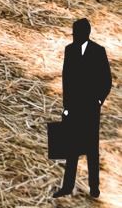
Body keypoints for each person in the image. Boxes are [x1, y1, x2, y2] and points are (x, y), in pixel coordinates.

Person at [60, 18, 112, 199]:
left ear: (85, 33)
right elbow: (66, 80)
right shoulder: (69, 50)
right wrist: (66, 106)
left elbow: (106, 80)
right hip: (74, 107)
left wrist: (98, 101)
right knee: (72, 147)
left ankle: (94, 188)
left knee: (91, 149)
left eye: (77, 33)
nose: (74, 36)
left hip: (90, 108)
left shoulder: (98, 51)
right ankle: (67, 186)